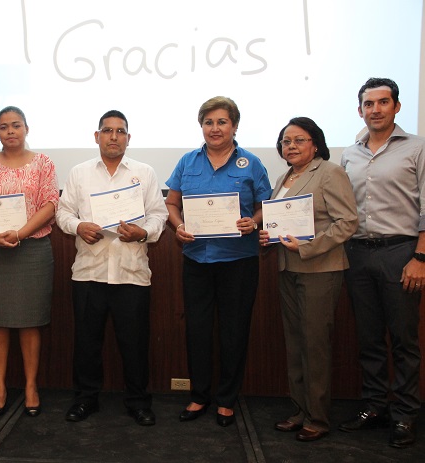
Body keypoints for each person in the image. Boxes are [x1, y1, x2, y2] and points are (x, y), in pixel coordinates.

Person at [56, 110, 167, 426]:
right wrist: (78, 226)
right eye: (107, 130)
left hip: (131, 272)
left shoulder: (144, 173)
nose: (114, 136)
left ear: (128, 138)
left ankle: (138, 402)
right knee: (87, 343)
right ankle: (85, 399)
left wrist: (143, 232)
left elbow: (158, 215)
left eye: (120, 131)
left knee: (134, 344)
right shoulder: (79, 173)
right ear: (97, 136)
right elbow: (63, 213)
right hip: (89, 272)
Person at [165, 96, 271, 427]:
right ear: (202, 127)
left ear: (234, 126)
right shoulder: (187, 161)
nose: (215, 128)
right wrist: (178, 225)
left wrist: (253, 222)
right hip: (197, 259)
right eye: (209, 122)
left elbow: (266, 207)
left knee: (233, 330)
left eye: (222, 122)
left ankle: (226, 400)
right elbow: (172, 202)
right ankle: (199, 396)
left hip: (239, 260)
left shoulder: (251, 163)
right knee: (197, 330)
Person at [338, 78, 425, 448]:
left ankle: (405, 414)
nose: (375, 109)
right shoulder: (349, 153)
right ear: (360, 110)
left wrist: (420, 256)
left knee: (404, 340)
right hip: (357, 252)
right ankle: (375, 406)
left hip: (401, 253)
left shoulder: (417, 148)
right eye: (369, 104)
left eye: (383, 102)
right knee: (369, 337)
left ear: (397, 107)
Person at [259, 117, 358, 441]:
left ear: (315, 144)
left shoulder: (329, 173)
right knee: (296, 343)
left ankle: (318, 416)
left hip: (320, 269)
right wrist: (267, 237)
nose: (291, 146)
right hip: (288, 269)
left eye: (299, 140)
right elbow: (281, 223)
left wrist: (308, 247)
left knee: (315, 345)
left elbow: (347, 222)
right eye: (286, 141)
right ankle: (300, 410)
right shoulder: (283, 177)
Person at [0, 106, 59, 418]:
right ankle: (0, 387)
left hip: (32, 250)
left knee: (30, 319)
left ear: (26, 128)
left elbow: (50, 204)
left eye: (16, 125)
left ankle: (31, 386)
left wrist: (19, 233)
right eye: (3, 127)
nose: (10, 131)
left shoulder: (44, 162)